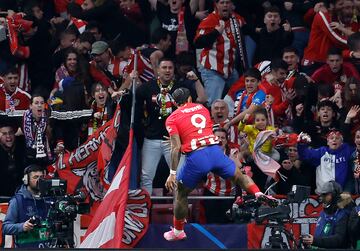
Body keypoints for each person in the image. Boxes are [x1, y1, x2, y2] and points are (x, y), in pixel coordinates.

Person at [163, 87, 265, 241]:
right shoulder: (203, 108)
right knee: (239, 175)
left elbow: (176, 147)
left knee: (181, 192)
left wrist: (172, 173)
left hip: (197, 157)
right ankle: (258, 193)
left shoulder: (172, 118)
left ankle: (178, 231)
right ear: (190, 99)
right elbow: (198, 129)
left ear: (175, 103)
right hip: (215, 151)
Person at [194, 0, 246, 104]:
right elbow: (197, 43)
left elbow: (247, 28)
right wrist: (216, 33)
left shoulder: (236, 19)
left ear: (232, 5)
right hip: (213, 70)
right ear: (216, 5)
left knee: (238, 101)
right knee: (213, 104)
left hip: (230, 70)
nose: (225, 5)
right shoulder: (209, 20)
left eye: (228, 2)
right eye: (222, 2)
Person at [2, 164, 50, 248]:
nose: (39, 180)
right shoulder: (17, 201)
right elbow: (5, 227)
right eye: (35, 177)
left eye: (41, 177)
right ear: (26, 180)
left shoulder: (49, 199)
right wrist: (22, 226)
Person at [302, 180, 353, 249]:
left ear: (334, 195)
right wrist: (309, 243)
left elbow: (338, 240)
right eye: (322, 195)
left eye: (325, 195)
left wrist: (314, 241)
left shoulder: (343, 214)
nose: (322, 198)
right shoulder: (323, 213)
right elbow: (319, 237)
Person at [0, 121, 26, 197]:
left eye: (11, 133)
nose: (8, 136)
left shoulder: (21, 145)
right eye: (4, 134)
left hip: (20, 192)